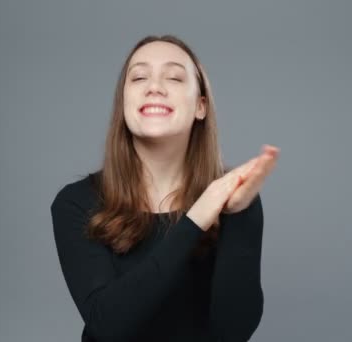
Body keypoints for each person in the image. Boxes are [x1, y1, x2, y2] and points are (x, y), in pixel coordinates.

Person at [51, 34, 280, 342]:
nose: (154, 86)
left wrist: (237, 214)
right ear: (124, 104)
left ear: (201, 106)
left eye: (173, 77)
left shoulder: (236, 199)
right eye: (139, 77)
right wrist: (196, 218)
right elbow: (107, 325)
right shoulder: (77, 202)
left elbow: (233, 330)